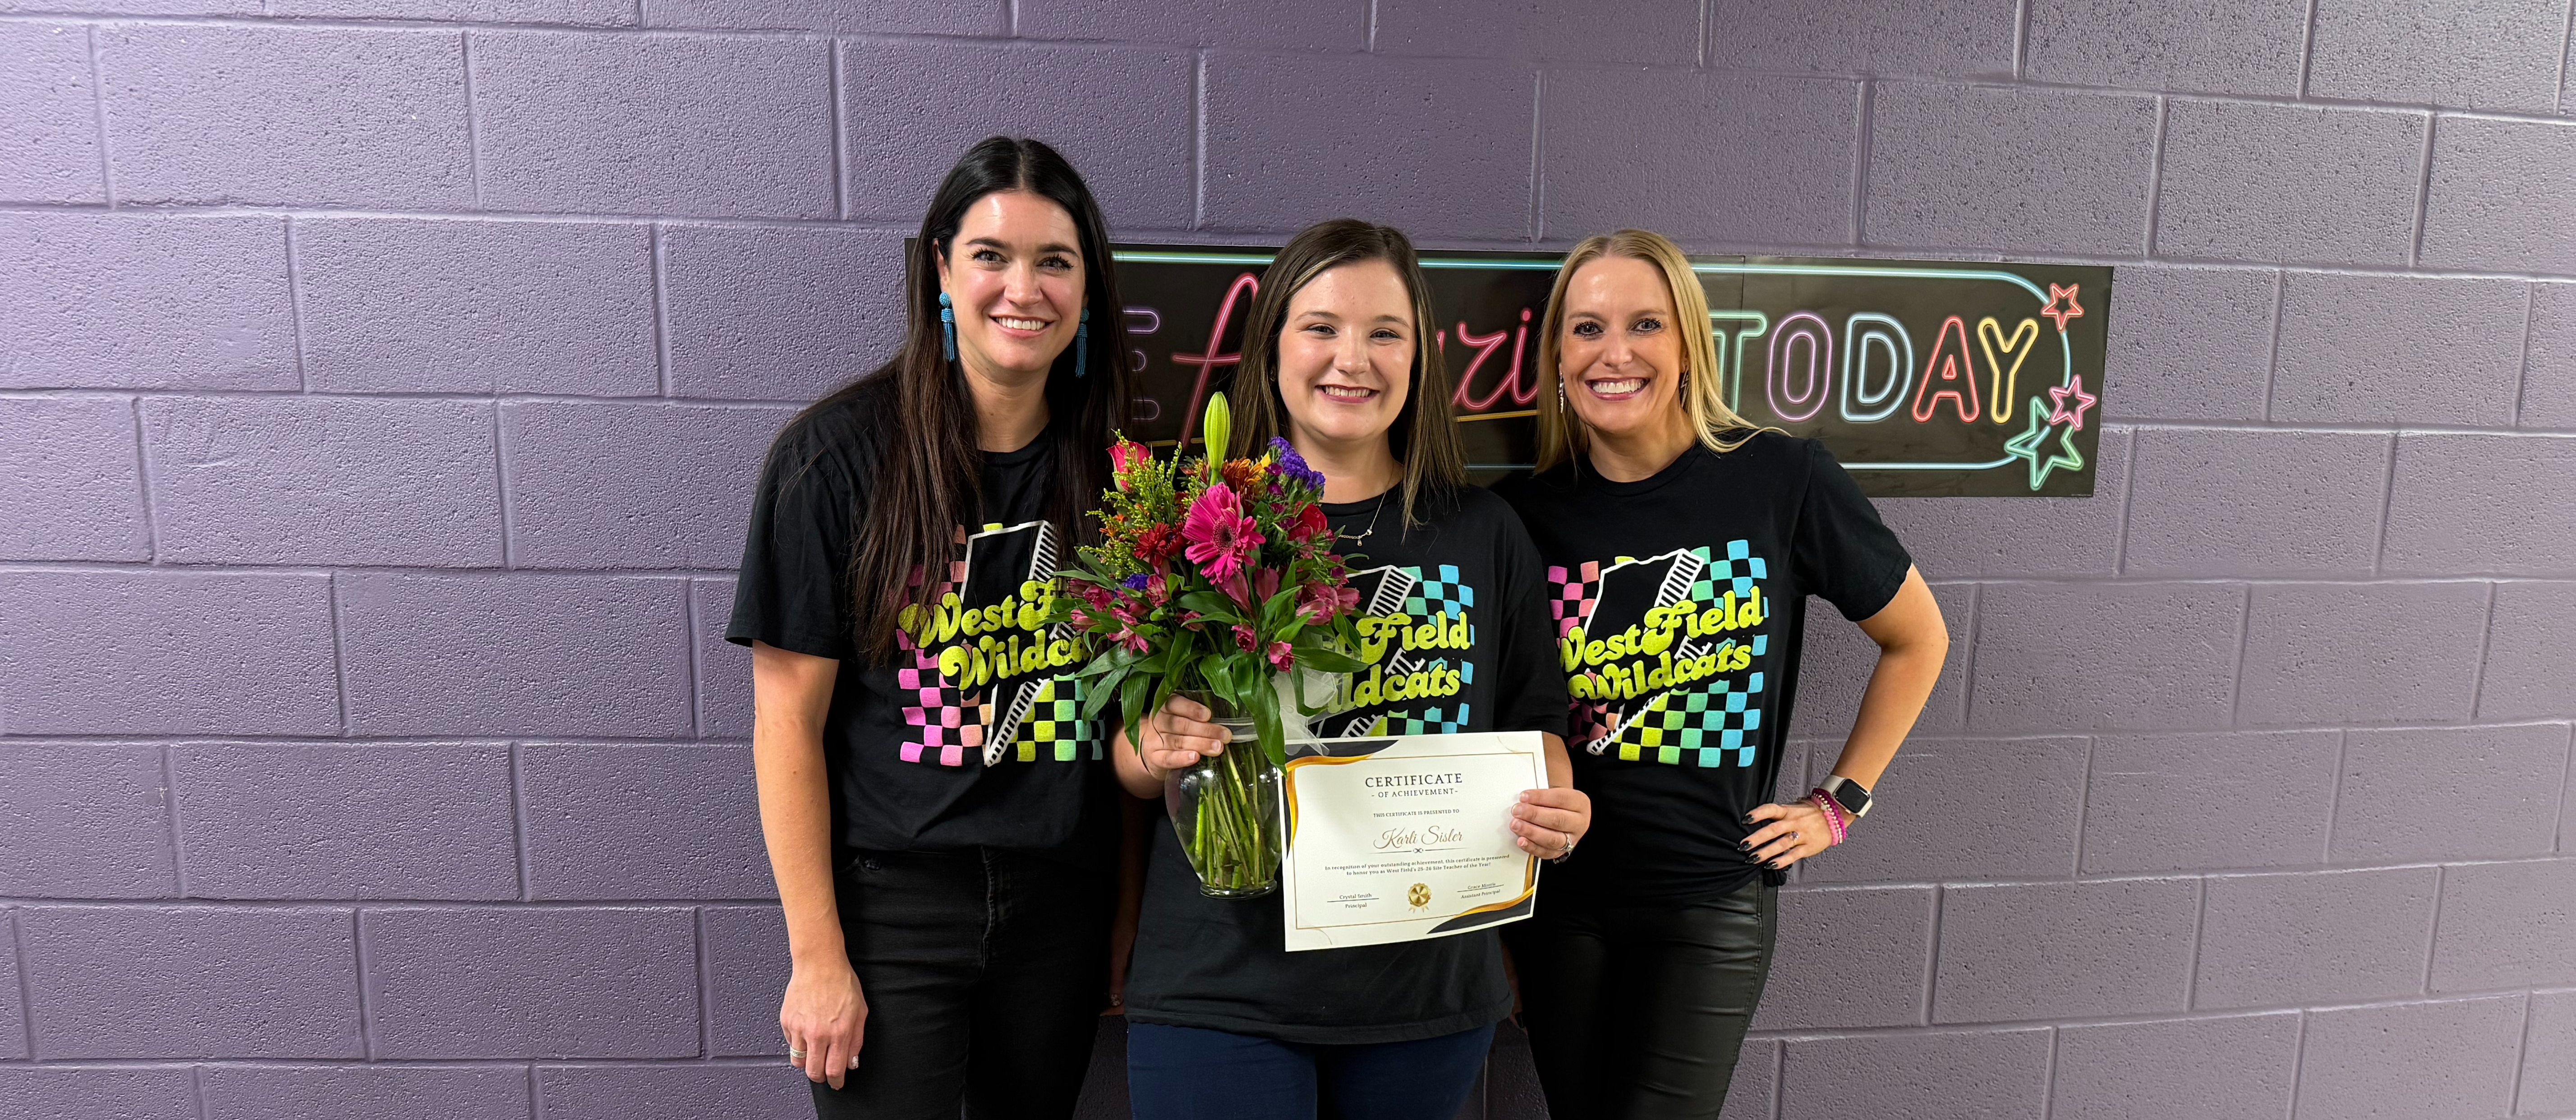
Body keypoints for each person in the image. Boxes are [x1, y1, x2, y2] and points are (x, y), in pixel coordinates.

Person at [1115, 219, 1594, 1120]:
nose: (1353, 358)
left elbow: (1538, 726)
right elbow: (1131, 761)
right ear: (1273, 348)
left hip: (1425, 994)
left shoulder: (1483, 532)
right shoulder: (1200, 519)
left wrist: (1555, 808)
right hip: (1223, 984)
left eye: (1386, 332)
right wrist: (1156, 744)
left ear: (1418, 359)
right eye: (1322, 326)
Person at [1492, 229, 1950, 1120]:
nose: (1613, 352)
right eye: (1585, 328)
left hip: (1710, 903)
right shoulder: (1525, 515)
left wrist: (1840, 803)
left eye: (1644, 325)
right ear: (1557, 354)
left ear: (1690, 345)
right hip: (1561, 905)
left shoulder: (1780, 480)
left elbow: (1919, 638)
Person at [725, 135, 1137, 1120]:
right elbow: (785, 722)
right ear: (941, 271)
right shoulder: (831, 460)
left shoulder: (1121, 476)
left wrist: (1121, 920)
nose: (1022, 288)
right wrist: (817, 955)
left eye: (1055, 260)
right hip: (891, 907)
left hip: (1059, 905)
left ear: (1087, 288)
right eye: (991, 255)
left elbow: (1135, 720)